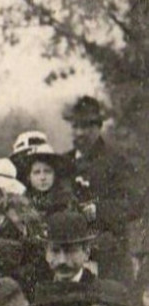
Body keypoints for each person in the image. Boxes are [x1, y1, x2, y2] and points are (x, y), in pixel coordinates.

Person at [62, 95, 143, 276]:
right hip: (69, 257)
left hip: (108, 254)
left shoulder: (117, 161)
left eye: (86, 126)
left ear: (99, 127)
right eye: (76, 126)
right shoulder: (63, 162)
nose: (80, 133)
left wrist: (97, 210)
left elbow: (134, 203)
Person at [42, 210, 98, 285]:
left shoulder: (104, 293)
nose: (62, 261)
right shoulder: (39, 292)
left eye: (70, 251)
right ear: (46, 253)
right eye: (55, 251)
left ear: (86, 252)